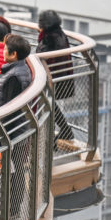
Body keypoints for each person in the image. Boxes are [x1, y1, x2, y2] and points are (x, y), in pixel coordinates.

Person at [0, 34, 33, 220]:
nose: (3, 52)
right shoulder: (20, 70)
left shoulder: (14, 76)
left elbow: (8, 109)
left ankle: (12, 213)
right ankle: (9, 210)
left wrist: (0, 134)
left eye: (5, 49)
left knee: (14, 172)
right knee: (15, 170)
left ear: (13, 54)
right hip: (18, 130)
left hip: (12, 132)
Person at [36, 10, 80, 149]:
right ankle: (62, 132)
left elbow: (41, 56)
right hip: (61, 78)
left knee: (47, 104)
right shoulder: (60, 34)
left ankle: (54, 137)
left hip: (51, 79)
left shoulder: (49, 38)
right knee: (49, 104)